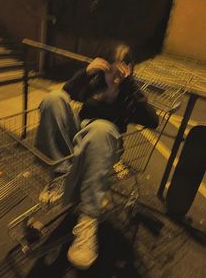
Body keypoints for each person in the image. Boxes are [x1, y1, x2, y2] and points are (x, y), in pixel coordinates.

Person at [35, 44, 159, 269]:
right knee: (53, 99)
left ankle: (88, 220)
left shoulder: (129, 94)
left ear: (129, 69)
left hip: (105, 143)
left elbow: (152, 120)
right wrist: (87, 72)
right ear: (105, 66)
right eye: (110, 70)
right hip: (78, 137)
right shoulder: (94, 83)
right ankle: (60, 177)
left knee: (100, 128)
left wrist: (130, 85)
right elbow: (68, 91)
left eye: (120, 71)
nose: (114, 77)